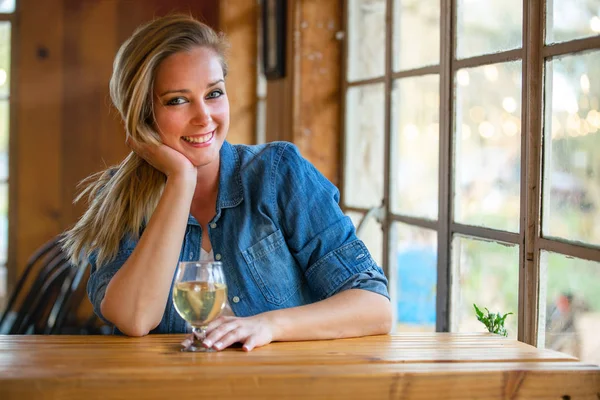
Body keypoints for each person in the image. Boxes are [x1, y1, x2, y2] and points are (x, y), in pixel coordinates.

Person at [62, 14, 391, 352]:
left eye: (214, 93)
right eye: (177, 99)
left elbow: (374, 306)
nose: (204, 117)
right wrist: (180, 180)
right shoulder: (119, 199)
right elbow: (134, 318)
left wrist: (269, 324)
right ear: (144, 113)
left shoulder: (277, 174)